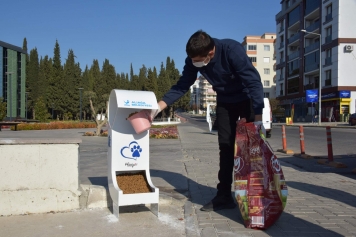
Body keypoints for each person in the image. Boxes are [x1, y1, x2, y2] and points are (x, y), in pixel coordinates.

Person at [146, 30, 264, 211]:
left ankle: (255, 193)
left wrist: (257, 118)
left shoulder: (231, 50)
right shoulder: (194, 59)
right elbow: (182, 85)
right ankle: (224, 196)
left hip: (246, 99)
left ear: (210, 53)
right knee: (225, 148)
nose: (194, 64)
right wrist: (156, 108)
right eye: (192, 60)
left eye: (197, 60)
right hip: (225, 101)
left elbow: (254, 82)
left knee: (250, 148)